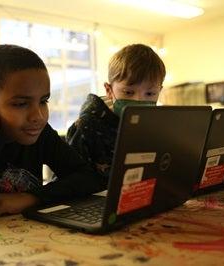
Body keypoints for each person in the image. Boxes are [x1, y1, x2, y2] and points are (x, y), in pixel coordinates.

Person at [0, 44, 104, 227]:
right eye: (21, 104)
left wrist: (30, 198)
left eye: (43, 101)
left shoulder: (40, 135)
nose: (38, 116)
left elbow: (90, 178)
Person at [66, 43, 166, 186]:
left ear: (159, 90)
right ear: (108, 90)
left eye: (150, 93)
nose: (139, 100)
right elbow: (70, 182)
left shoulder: (155, 127)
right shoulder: (86, 126)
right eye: (128, 92)